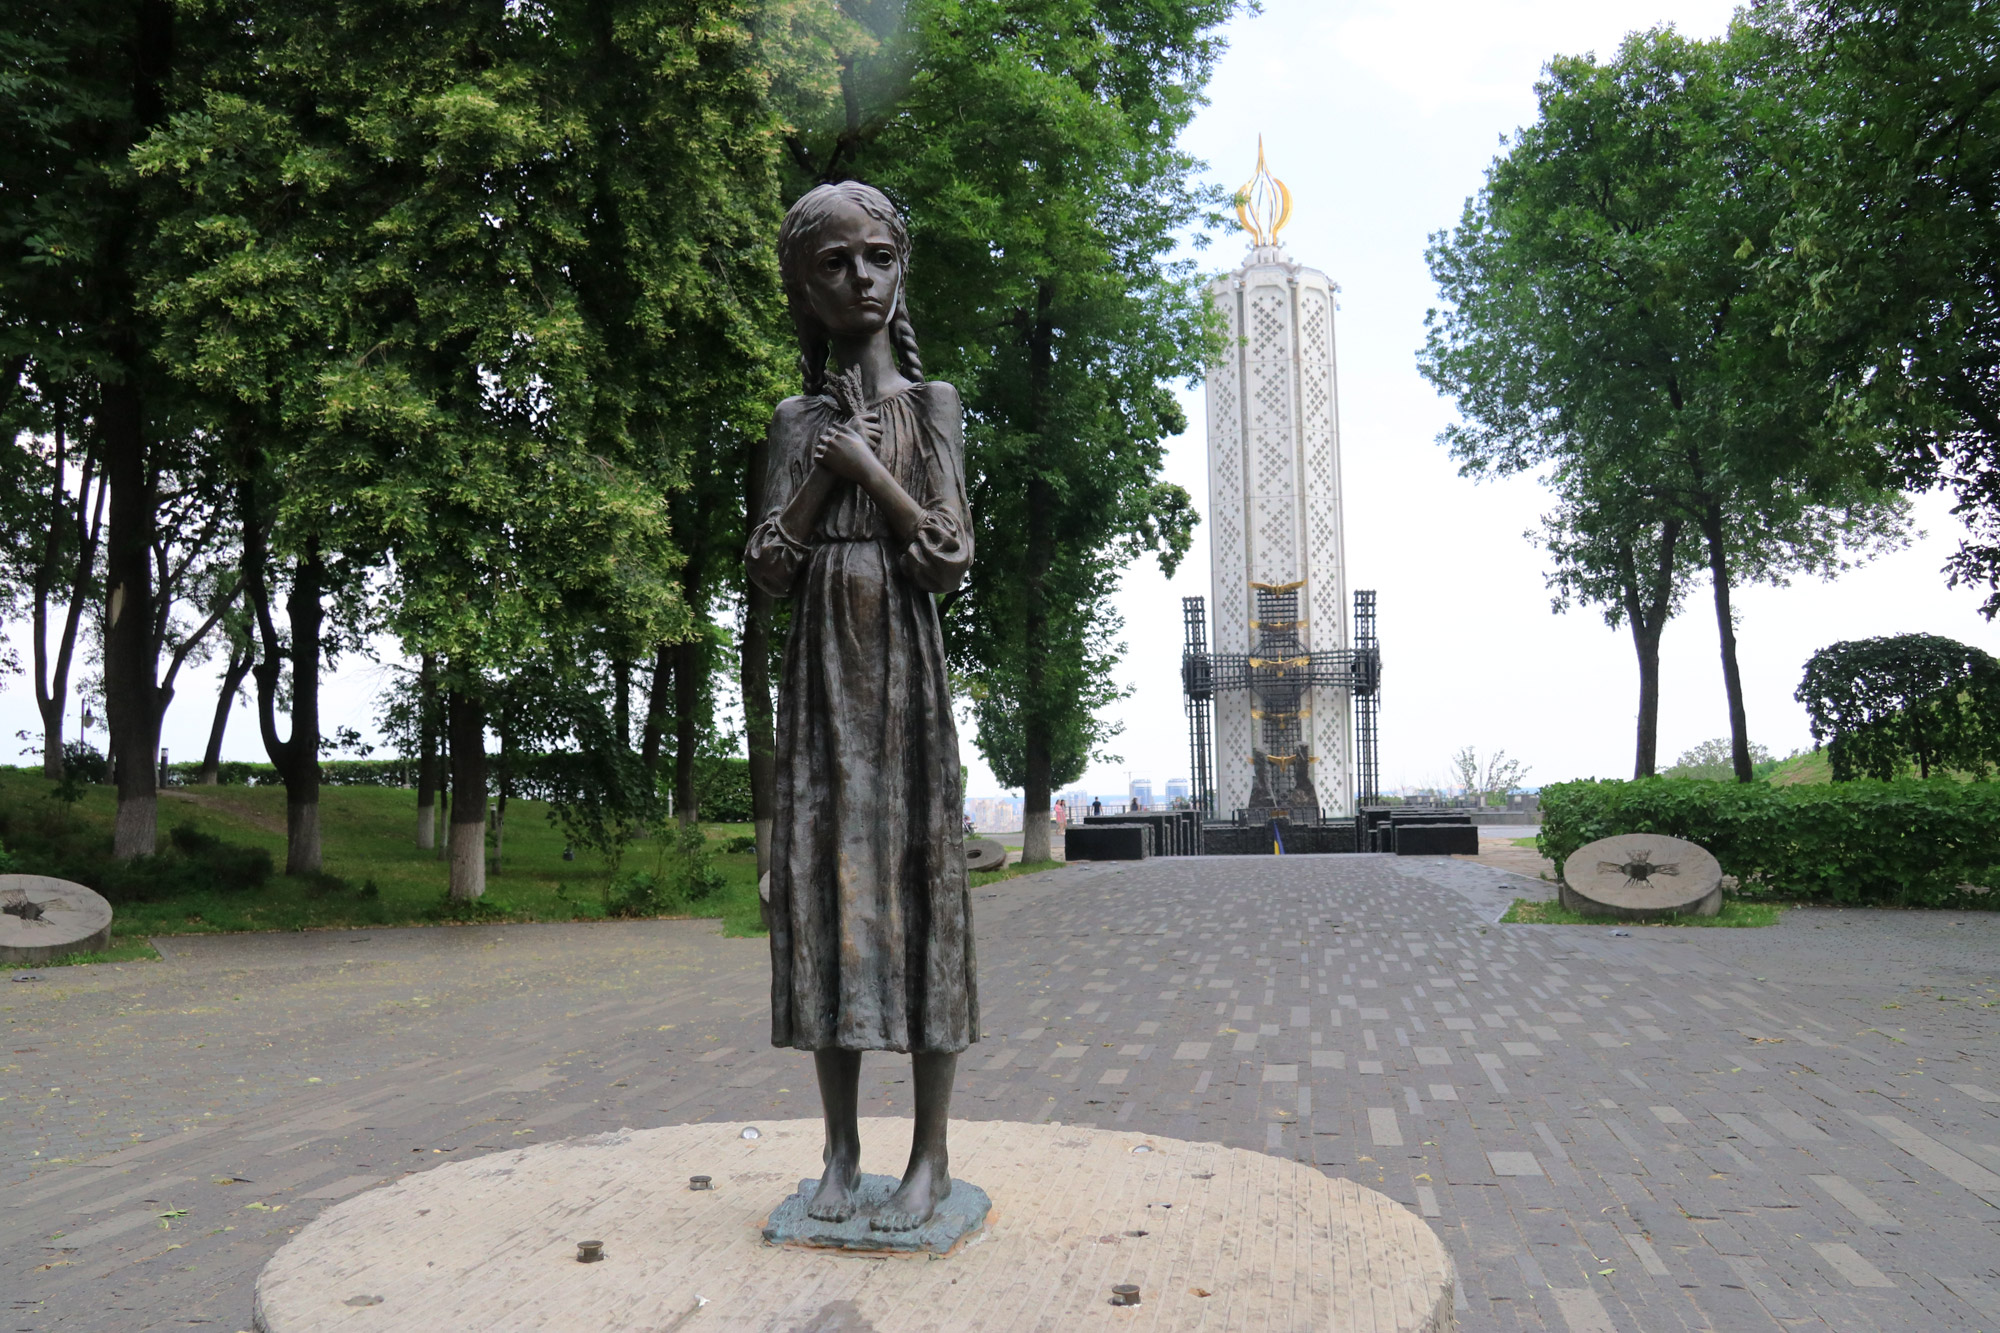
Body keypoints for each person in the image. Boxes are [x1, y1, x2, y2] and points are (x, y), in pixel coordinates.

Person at [745, 180, 975, 1232]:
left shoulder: (932, 410)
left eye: (876, 257)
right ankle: (838, 1152)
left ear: (901, 268)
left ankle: (927, 1157)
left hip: (905, 679)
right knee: (824, 893)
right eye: (834, 264)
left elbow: (946, 558)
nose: (860, 278)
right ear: (803, 285)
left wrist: (868, 471)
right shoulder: (795, 419)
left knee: (922, 891)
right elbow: (771, 568)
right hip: (822, 684)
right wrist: (816, 471)